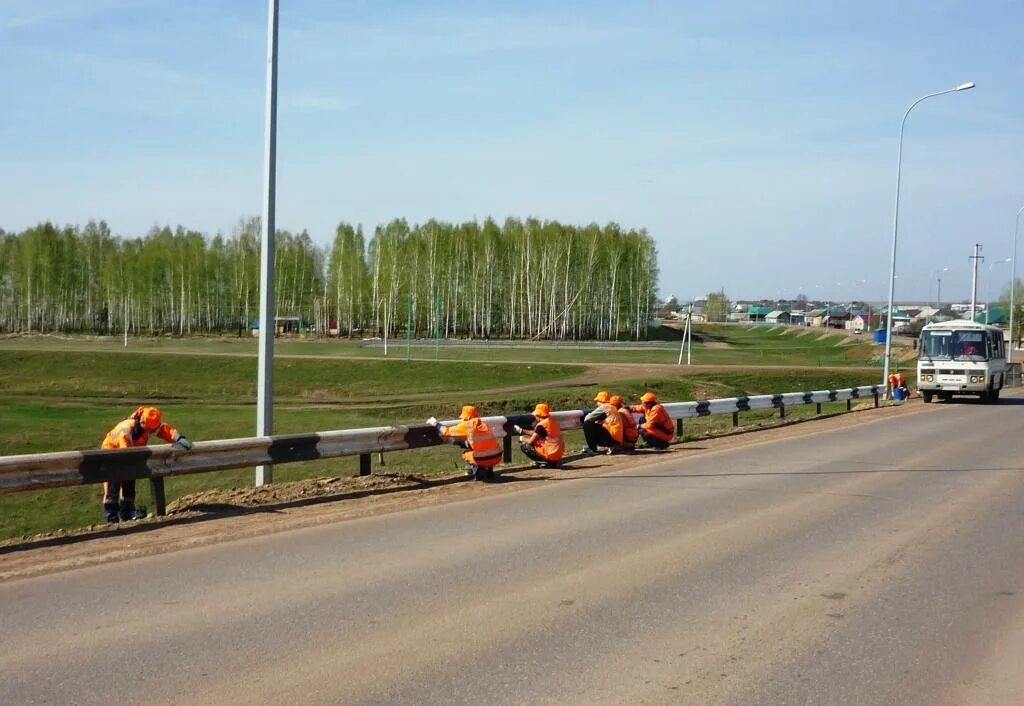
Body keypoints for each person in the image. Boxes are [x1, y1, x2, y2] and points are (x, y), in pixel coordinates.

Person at [100, 406, 193, 523]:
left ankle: (126, 516)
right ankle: (112, 520)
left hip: (130, 455)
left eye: (152, 430)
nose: (151, 433)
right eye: (149, 430)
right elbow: (125, 451)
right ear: (143, 423)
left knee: (128, 487)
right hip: (111, 455)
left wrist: (178, 438)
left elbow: (163, 429)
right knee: (112, 488)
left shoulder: (147, 423)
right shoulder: (126, 430)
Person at [429, 405, 502, 481]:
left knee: (465, 454)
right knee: (484, 449)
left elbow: (446, 432)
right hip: (497, 457)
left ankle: (476, 473)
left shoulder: (467, 425)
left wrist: (436, 424)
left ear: (466, 417)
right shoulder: (484, 424)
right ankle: (489, 472)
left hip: (482, 459)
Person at [514, 402, 565, 468]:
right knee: (536, 441)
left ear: (539, 415)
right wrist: (521, 431)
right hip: (558, 454)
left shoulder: (542, 425)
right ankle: (551, 462)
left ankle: (544, 462)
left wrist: (522, 439)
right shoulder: (552, 422)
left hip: (549, 453)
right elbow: (537, 433)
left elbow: (530, 441)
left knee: (525, 446)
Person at [582, 391, 623, 456]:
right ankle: (613, 446)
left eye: (597, 401)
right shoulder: (612, 407)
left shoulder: (604, 407)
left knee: (587, 424)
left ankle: (592, 449)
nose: (596, 403)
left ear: (600, 401)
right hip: (617, 439)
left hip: (611, 437)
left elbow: (587, 418)